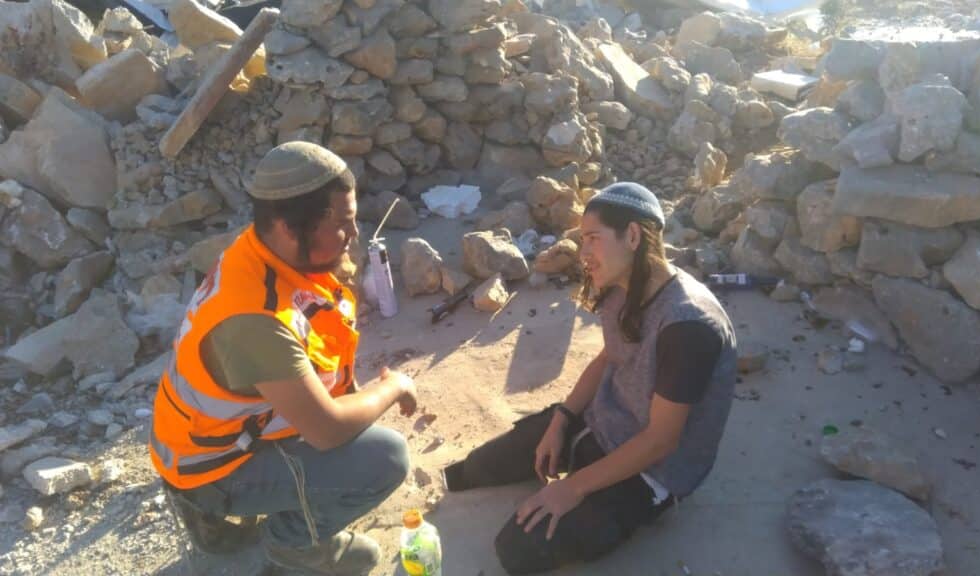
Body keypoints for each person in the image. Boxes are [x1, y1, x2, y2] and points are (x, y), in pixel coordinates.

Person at [149, 142, 416, 576]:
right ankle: (293, 545)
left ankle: (216, 522)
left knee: (350, 433)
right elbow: (327, 430)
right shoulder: (255, 320)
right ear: (289, 228)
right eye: (341, 224)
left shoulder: (258, 252)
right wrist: (394, 386)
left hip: (199, 441)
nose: (354, 234)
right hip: (209, 466)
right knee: (383, 459)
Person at [443, 182, 738, 574]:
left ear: (632, 236)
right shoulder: (623, 284)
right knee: (475, 468)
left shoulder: (688, 325)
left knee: (517, 549)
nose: (583, 254)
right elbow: (608, 357)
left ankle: (633, 505)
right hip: (605, 422)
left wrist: (573, 486)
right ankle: (570, 455)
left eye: (593, 239)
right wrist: (561, 420)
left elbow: (660, 441)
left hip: (651, 468)